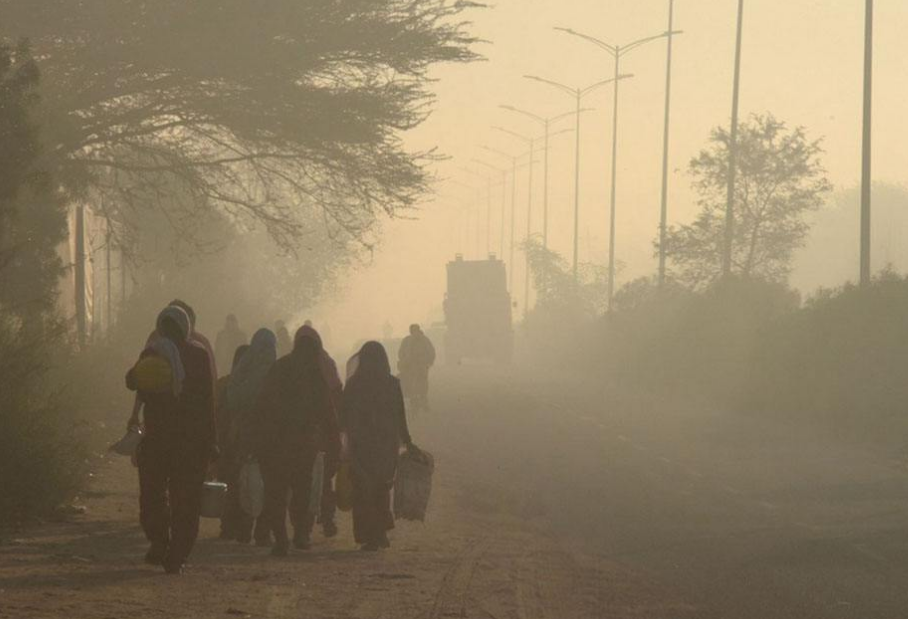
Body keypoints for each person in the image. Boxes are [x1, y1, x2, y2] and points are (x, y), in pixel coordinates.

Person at [126, 305, 217, 574]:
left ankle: (160, 541)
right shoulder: (199, 356)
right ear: (186, 328)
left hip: (158, 440)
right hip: (191, 442)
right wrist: (212, 441)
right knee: (186, 501)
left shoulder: (153, 352)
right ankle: (176, 554)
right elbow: (208, 403)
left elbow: (132, 382)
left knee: (152, 496)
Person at [252, 336, 339, 556]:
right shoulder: (314, 373)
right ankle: (300, 534)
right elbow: (327, 411)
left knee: (276, 493)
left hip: (274, 444)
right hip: (303, 444)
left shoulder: (279, 367)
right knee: (302, 490)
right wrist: (333, 442)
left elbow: (261, 405)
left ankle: (281, 539)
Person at [341, 341, 419, 551]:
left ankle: (369, 536)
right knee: (381, 488)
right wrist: (408, 441)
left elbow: (343, 415)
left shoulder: (354, 384)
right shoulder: (392, 383)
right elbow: (400, 416)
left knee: (362, 490)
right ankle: (381, 533)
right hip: (386, 446)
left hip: (361, 446)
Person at [221, 329, 277, 545]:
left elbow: (232, 398)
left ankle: (244, 528)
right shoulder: (278, 371)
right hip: (271, 437)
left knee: (244, 479)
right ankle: (263, 531)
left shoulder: (243, 372)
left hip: (245, 435)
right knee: (269, 483)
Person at [294, 325, 343, 539]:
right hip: (323, 432)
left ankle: (302, 528)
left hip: (297, 435)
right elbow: (337, 396)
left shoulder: (289, 365)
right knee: (323, 479)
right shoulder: (326, 364)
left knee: (300, 481)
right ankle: (327, 518)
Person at [398, 324, 436, 412]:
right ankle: (415, 403)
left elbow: (431, 352)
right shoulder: (407, 340)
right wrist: (404, 361)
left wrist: (428, 362)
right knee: (413, 384)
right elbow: (400, 353)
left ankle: (423, 402)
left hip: (421, 366)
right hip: (410, 366)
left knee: (422, 384)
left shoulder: (424, 340)